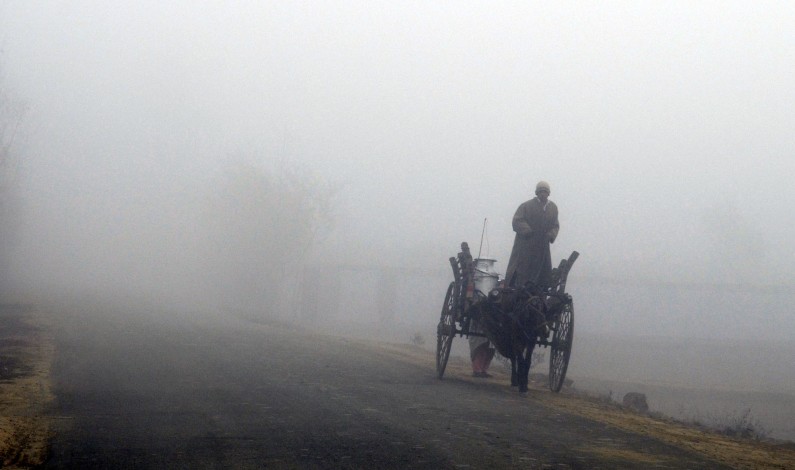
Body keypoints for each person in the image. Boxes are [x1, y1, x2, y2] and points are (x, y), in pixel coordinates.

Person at [505, 180, 559, 291]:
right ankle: (519, 289)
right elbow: (517, 221)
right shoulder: (526, 206)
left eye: (545, 191)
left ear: (548, 193)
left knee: (542, 274)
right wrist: (527, 231)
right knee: (523, 271)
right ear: (536, 193)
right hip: (525, 246)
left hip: (543, 247)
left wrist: (551, 235)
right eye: (541, 191)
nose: (543, 194)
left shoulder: (553, 208)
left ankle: (540, 290)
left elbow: (555, 225)